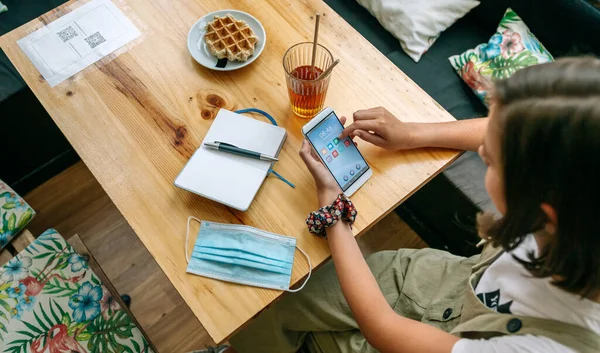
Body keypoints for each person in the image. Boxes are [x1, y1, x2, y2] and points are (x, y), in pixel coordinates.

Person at [195, 57, 600, 353]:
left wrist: (334, 212)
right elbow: (508, 130)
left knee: (269, 305)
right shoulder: (582, 194)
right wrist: (410, 133)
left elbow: (385, 330)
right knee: (274, 300)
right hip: (439, 283)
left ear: (539, 212)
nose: (481, 152)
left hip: (432, 337)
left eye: (488, 159)